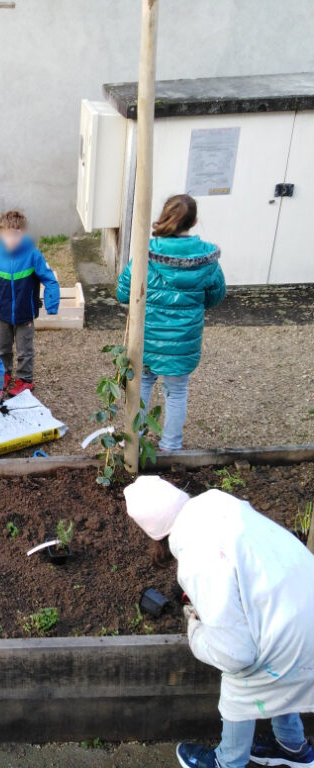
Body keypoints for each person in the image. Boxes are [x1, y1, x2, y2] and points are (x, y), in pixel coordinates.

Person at [124, 475, 314, 768]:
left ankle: (228, 762)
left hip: (288, 636)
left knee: (244, 676)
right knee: (277, 660)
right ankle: (292, 748)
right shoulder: (219, 503)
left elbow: (236, 654)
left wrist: (196, 630)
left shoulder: (197, 558)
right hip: (302, 604)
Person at [116, 194, 226, 451]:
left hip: (147, 339)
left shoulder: (146, 253)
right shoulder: (207, 260)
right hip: (183, 341)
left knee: (141, 385)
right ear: (195, 221)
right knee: (176, 393)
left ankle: (134, 443)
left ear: (164, 217)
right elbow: (215, 297)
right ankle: (170, 446)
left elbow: (123, 293)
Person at [0, 209, 60, 396]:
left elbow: (49, 279)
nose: (12, 239)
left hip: (25, 314)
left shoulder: (33, 256)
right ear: (1, 234)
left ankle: (25, 379)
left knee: (25, 349)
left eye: (16, 234)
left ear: (23, 234)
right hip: (3, 314)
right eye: (7, 234)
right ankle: (5, 373)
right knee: (3, 347)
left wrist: (52, 303)